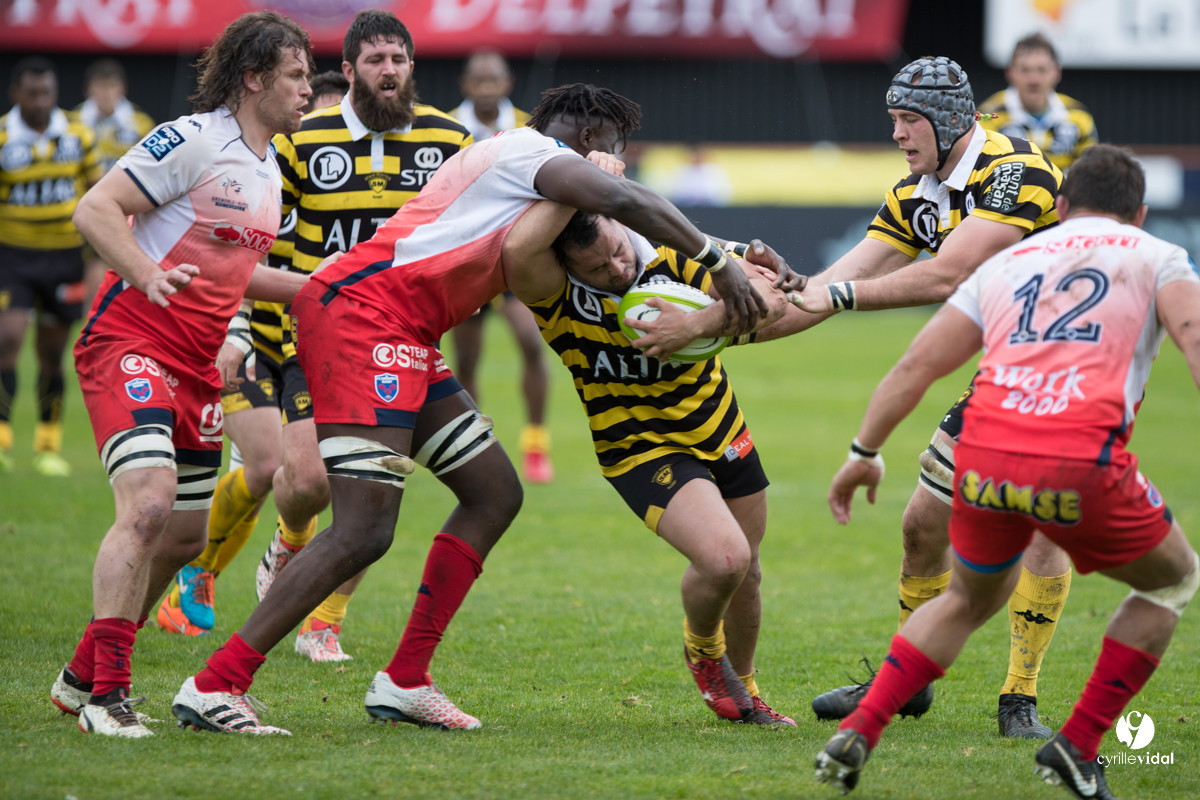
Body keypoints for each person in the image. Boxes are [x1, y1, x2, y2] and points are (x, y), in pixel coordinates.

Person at [170, 82, 791, 735]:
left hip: (404, 332)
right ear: (583, 143)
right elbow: (622, 200)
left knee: (493, 492)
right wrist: (716, 262)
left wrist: (739, 253)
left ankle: (406, 679)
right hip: (366, 320)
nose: (614, 164)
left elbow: (610, 220)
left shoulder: (528, 179)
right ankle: (217, 684)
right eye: (611, 151)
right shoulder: (530, 153)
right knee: (363, 530)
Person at [813, 143, 1200, 800]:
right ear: (1138, 214)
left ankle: (862, 727)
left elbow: (917, 365)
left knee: (965, 599)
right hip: (1078, 457)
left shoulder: (1010, 261)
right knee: (1172, 582)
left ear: (1061, 206)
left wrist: (862, 452)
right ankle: (1077, 745)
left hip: (985, 454)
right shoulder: (1158, 256)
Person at [158, 12, 473, 664]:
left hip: (391, 340)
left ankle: (322, 619)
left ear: (413, 66)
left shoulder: (449, 140)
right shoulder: (302, 140)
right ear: (351, 69)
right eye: (377, 59)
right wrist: (235, 323)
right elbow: (250, 232)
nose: (390, 70)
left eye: (399, 58)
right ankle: (223, 561)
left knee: (370, 483)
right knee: (291, 477)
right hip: (292, 332)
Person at [775, 56, 1071, 737]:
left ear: (948, 120)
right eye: (894, 119)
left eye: (909, 120)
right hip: (1002, 368)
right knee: (921, 526)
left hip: (1066, 371)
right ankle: (909, 682)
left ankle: (1019, 699)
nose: (897, 134)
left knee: (1041, 524)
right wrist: (714, 325)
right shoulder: (915, 193)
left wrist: (832, 295)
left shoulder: (1014, 170)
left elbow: (948, 274)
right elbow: (826, 285)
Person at [47, 10, 317, 738]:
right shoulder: (193, 139)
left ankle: (81, 673)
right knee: (149, 505)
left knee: (185, 538)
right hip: (129, 339)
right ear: (252, 77)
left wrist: (323, 289)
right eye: (295, 75)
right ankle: (108, 697)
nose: (307, 89)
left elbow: (236, 271)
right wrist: (146, 275)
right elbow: (95, 209)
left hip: (198, 365)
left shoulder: (269, 169)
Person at [503, 203, 797, 724]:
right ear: (567, 265)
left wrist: (693, 325)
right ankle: (703, 651)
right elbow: (516, 247)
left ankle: (747, 693)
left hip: (720, 427)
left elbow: (772, 299)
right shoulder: (554, 292)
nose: (617, 269)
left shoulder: (676, 253)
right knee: (725, 560)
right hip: (638, 447)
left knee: (747, 572)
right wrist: (576, 181)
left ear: (621, 225)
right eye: (597, 267)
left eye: (618, 251)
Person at [154, 68, 351, 641]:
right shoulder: (259, 173)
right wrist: (234, 331)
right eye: (317, 116)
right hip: (252, 339)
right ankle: (198, 572)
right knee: (264, 467)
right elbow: (228, 260)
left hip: (311, 347)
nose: (324, 130)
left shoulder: (351, 191)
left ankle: (282, 549)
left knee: (309, 478)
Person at [449, 49, 555, 484]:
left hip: (514, 257)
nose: (487, 88)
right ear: (466, 85)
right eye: (479, 81)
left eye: (493, 80)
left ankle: (536, 445)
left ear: (507, 82)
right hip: (466, 260)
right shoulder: (448, 128)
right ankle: (474, 448)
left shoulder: (530, 128)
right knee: (466, 359)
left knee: (531, 343)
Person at [0, 57, 101, 477]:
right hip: (13, 257)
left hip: (65, 258)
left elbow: (97, 192)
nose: (40, 101)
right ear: (15, 94)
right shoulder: (3, 136)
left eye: (47, 93)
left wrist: (98, 254)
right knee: (7, 339)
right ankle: (3, 438)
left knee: (52, 353)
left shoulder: (78, 134)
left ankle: (48, 445)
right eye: (32, 93)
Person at [72, 58, 156, 307]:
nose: (106, 94)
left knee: (107, 265)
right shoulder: (73, 122)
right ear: (89, 89)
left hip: (124, 210)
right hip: (80, 207)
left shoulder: (141, 124)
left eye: (111, 87)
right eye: (100, 87)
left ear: (122, 89)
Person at [977, 33, 1097, 173]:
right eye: (1025, 70)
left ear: (1057, 72)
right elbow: (979, 171)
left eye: (1042, 70)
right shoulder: (987, 115)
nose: (1034, 79)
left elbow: (1089, 172)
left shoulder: (1079, 114)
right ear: (1010, 72)